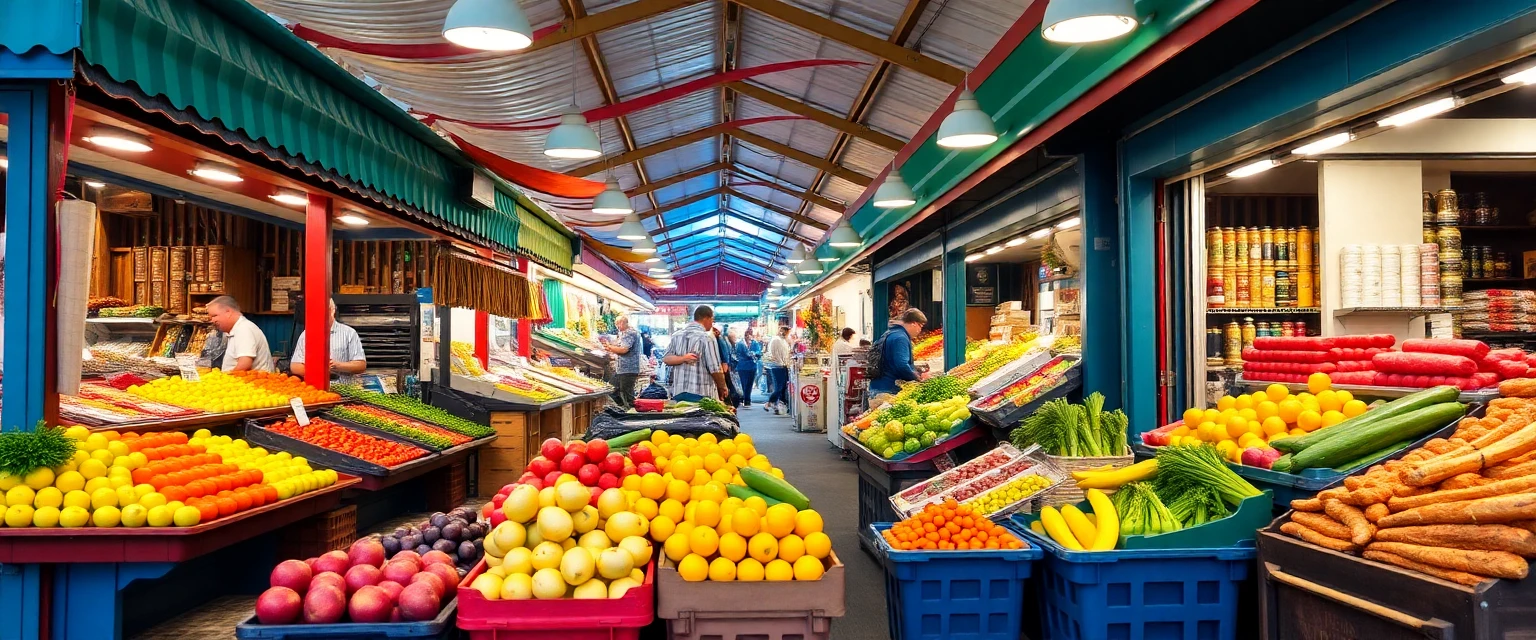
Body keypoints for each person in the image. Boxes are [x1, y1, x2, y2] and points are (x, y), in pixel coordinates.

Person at [290, 298, 367, 383]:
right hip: (315, 391)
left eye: (324, 310)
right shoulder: (306, 334)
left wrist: (337, 365)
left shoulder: (349, 333)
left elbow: (361, 365)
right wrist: (319, 370)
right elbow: (295, 366)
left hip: (344, 390)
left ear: (332, 310)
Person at [662, 305, 728, 402]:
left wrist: (682, 358)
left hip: (679, 393)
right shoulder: (707, 338)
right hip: (702, 394)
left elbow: (666, 359)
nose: (712, 323)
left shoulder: (677, 336)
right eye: (712, 320)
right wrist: (722, 387)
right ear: (706, 318)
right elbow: (715, 368)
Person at [868, 308, 931, 398]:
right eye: (921, 326)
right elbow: (901, 365)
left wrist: (916, 369)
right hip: (888, 390)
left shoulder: (891, 333)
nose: (920, 330)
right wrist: (918, 378)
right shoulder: (901, 338)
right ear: (913, 323)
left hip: (879, 387)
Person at [206, 295, 275, 373]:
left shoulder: (244, 329)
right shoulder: (237, 329)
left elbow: (245, 364)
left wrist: (225, 379)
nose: (212, 320)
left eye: (214, 316)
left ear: (228, 312)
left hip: (250, 383)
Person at [605, 316, 642, 407]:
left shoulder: (628, 333)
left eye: (618, 324)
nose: (617, 327)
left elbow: (623, 350)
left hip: (627, 368)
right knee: (612, 389)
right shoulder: (628, 333)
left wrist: (610, 347)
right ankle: (622, 408)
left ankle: (631, 413)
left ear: (623, 323)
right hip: (623, 369)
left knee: (627, 394)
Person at [763, 325, 792, 414]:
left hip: (782, 366)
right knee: (779, 387)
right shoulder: (776, 340)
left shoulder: (783, 341)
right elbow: (775, 353)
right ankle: (769, 403)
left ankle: (778, 405)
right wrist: (782, 363)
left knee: (782, 387)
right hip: (777, 366)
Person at [715, 327, 741, 407]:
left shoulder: (720, 340)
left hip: (723, 369)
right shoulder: (723, 340)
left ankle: (731, 403)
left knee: (728, 390)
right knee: (730, 389)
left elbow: (725, 360)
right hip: (725, 369)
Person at [733, 329, 758, 407]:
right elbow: (738, 353)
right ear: (745, 335)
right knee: (744, 383)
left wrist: (755, 353)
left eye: (751, 334)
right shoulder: (740, 343)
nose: (749, 336)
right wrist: (749, 355)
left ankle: (747, 399)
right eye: (748, 334)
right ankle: (745, 399)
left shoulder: (754, 343)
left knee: (750, 384)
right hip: (742, 366)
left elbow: (758, 351)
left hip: (752, 366)